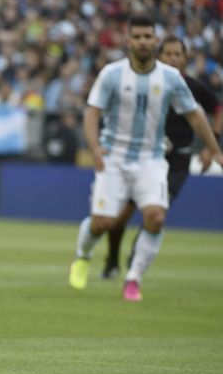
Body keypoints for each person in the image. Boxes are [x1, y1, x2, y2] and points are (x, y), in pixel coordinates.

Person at [67, 15, 223, 301]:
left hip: (151, 159)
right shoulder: (111, 74)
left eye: (147, 37)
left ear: (155, 40)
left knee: (155, 216)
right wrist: (94, 146)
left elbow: (195, 115)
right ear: (128, 41)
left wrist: (214, 149)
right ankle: (82, 256)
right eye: (137, 37)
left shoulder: (170, 77)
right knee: (102, 222)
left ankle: (133, 278)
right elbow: (92, 111)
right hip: (113, 157)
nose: (142, 42)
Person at [101, 35, 223, 279]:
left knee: (155, 213)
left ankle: (135, 262)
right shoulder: (144, 83)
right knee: (120, 216)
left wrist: (212, 147)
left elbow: (217, 109)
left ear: (185, 58)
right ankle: (112, 259)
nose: (173, 59)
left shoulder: (193, 86)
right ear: (159, 56)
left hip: (176, 162)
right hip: (141, 157)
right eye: (168, 54)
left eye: (178, 54)